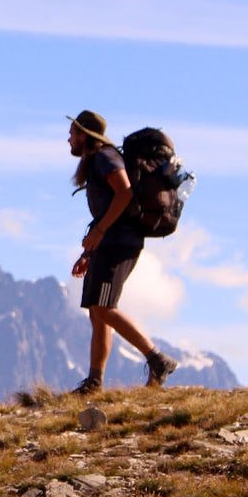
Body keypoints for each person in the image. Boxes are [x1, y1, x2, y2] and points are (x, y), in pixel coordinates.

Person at [66, 110, 177, 395]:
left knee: (104, 307)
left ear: (85, 135)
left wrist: (100, 233)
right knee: (97, 310)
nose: (69, 138)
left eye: (73, 132)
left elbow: (125, 194)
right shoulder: (99, 160)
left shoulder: (105, 158)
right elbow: (108, 207)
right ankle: (94, 382)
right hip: (108, 243)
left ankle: (157, 359)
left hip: (119, 243)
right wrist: (89, 251)